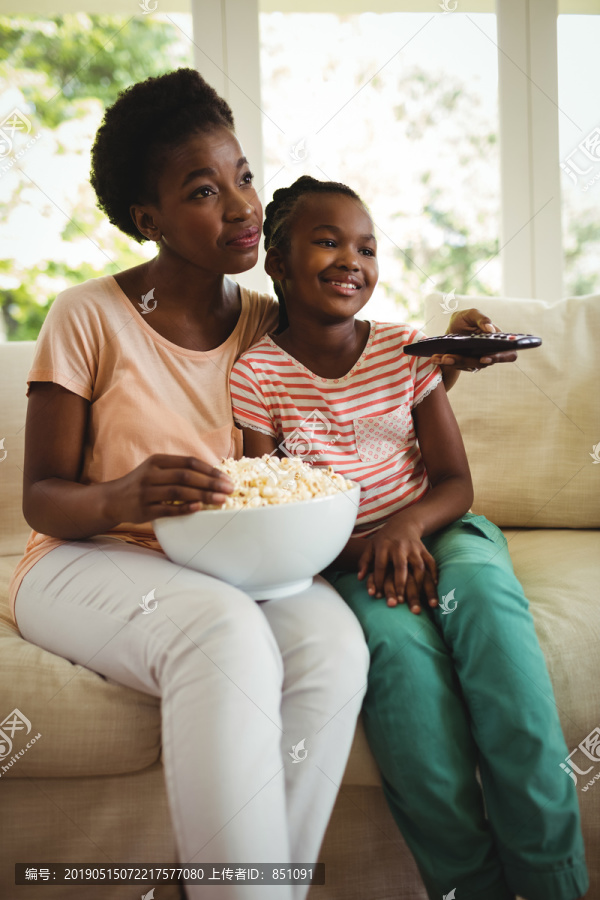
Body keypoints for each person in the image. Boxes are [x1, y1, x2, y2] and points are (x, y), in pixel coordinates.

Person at [8, 71, 372, 900]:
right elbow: (41, 497)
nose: (243, 206)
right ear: (151, 220)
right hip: (82, 555)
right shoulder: (88, 315)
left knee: (332, 645)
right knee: (223, 632)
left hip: (224, 565)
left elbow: (359, 377)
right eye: (205, 191)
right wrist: (124, 495)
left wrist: (444, 367)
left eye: (243, 175)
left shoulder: (264, 324)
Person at [228, 175, 589, 900]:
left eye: (365, 246)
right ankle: (467, 886)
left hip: (442, 529)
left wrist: (405, 527)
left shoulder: (405, 351)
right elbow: (268, 507)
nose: (351, 260)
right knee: (401, 668)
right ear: (279, 263)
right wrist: (372, 549)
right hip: (348, 560)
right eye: (326, 241)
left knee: (488, 615)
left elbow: (455, 480)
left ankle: (551, 877)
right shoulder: (258, 376)